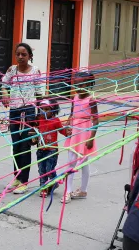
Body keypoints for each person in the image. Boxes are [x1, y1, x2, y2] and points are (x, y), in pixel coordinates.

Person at [2, 43, 45, 194]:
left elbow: (40, 94)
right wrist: (5, 93)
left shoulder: (35, 71)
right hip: (14, 111)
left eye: (24, 54)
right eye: (18, 54)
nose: (20, 57)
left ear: (29, 56)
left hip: (29, 112)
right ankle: (17, 177)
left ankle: (24, 182)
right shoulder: (11, 70)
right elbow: (4, 83)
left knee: (25, 145)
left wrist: (39, 117)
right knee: (15, 145)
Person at [61, 72, 99, 203]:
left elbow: (96, 121)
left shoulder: (91, 100)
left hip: (85, 135)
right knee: (71, 161)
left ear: (89, 84)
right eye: (76, 84)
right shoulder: (74, 98)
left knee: (84, 163)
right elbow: (72, 115)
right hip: (74, 134)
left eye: (82, 84)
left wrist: (91, 139)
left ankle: (83, 190)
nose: (78, 87)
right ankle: (68, 191)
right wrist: (67, 125)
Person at [30, 98, 68, 198]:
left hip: (52, 150)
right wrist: (33, 139)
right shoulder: (38, 119)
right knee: (41, 170)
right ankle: (43, 187)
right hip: (40, 149)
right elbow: (33, 131)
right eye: (42, 109)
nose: (44, 112)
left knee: (49, 169)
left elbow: (63, 131)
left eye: (47, 109)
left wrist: (68, 131)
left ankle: (53, 182)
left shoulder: (55, 121)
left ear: (53, 110)